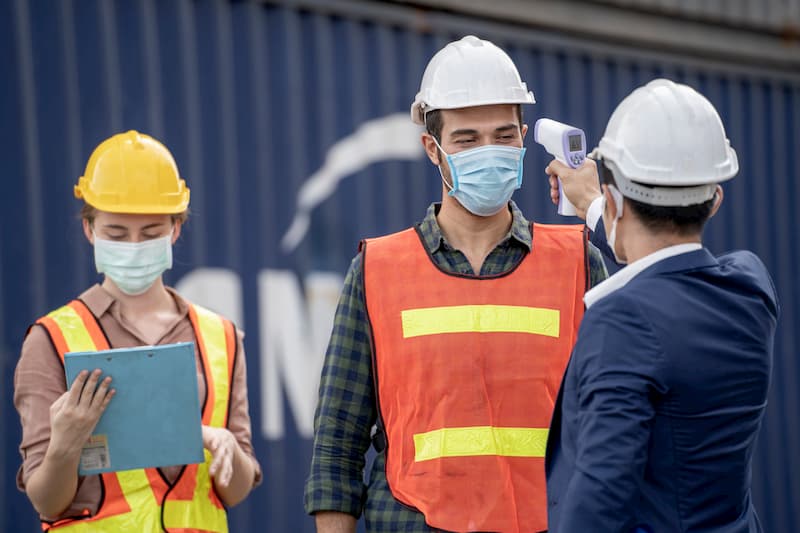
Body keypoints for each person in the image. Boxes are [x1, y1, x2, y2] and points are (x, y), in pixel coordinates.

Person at [304, 35, 607, 533]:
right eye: (467, 138)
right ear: (433, 148)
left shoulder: (578, 261)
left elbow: (624, 417)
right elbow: (337, 444)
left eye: (504, 135)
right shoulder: (378, 269)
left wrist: (599, 212)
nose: (489, 150)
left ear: (525, 138)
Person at [543, 79, 779, 532]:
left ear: (616, 199)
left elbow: (597, 504)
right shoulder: (752, 289)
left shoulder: (620, 324)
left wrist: (604, 207)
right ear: (714, 202)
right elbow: (671, 270)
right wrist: (599, 207)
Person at [13, 130, 262, 532]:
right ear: (89, 230)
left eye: (150, 234)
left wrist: (229, 451)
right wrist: (64, 444)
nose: (133, 246)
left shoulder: (222, 336)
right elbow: (46, 500)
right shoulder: (50, 339)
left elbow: (235, 491)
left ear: (176, 229)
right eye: (115, 234)